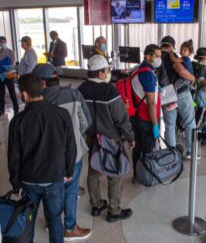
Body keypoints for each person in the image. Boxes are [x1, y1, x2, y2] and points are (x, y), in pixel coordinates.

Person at [8, 73, 76, 243]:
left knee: (27, 220)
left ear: (24, 95)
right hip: (55, 178)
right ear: (42, 88)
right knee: (54, 218)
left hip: (29, 180)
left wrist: (16, 184)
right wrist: (69, 170)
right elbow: (71, 147)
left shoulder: (18, 120)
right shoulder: (62, 114)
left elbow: (13, 157)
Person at [33, 63, 92, 241]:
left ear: (42, 83)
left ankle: (53, 224)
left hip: (45, 156)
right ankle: (70, 228)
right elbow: (86, 122)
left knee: (52, 190)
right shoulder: (74, 95)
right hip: (72, 154)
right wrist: (74, 134)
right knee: (70, 190)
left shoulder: (36, 99)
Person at [78, 55, 135, 223]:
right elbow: (121, 118)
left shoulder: (81, 89)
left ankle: (96, 205)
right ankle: (114, 211)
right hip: (110, 138)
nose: (109, 73)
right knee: (115, 173)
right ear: (101, 73)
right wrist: (130, 136)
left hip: (91, 137)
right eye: (108, 70)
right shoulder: (109, 90)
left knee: (94, 170)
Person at [159, 36, 196, 159]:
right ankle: (191, 151)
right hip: (181, 93)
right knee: (189, 121)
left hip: (165, 93)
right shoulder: (172, 56)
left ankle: (171, 153)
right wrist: (192, 78)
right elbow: (181, 71)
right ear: (170, 46)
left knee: (169, 125)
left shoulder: (157, 56)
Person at [130, 44, 162, 178]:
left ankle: (137, 174)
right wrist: (155, 124)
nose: (159, 59)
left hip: (135, 116)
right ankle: (147, 175)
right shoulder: (148, 75)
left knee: (137, 147)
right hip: (147, 118)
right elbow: (151, 103)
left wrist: (156, 89)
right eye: (157, 56)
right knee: (147, 149)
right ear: (148, 57)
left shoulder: (136, 69)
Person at [0, 36, 19, 117]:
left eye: (4, 42)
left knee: (12, 93)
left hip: (9, 75)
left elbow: (13, 64)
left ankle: (16, 110)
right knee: (1, 94)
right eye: (1, 42)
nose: (2, 43)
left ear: (6, 42)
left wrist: (5, 69)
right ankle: (2, 110)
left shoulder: (11, 52)